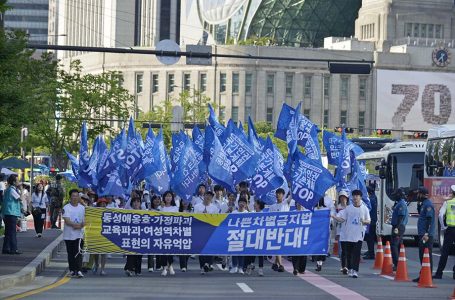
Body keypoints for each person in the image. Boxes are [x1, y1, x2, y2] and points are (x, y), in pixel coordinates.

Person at [332, 189, 370, 278]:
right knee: (349, 253)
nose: (355, 197)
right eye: (354, 196)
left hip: (359, 235)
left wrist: (364, 221)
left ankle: (355, 270)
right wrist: (334, 217)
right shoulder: (348, 209)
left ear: (360, 197)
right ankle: (350, 269)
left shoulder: (364, 209)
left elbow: (368, 221)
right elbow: (342, 219)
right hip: (348, 234)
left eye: (357, 196)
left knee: (356, 254)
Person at [412, 187, 435, 283]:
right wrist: (418, 205)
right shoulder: (423, 204)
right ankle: (423, 274)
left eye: (419, 194)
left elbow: (429, 220)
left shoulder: (428, 205)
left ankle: (427, 275)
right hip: (422, 234)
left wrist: (426, 233)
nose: (417, 196)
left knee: (426, 255)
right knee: (422, 255)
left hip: (426, 235)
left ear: (422, 194)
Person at [193, 191, 219, 274]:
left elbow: (216, 219)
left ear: (212, 198)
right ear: (203, 196)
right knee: (201, 250)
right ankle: (202, 267)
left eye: (210, 196)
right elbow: (194, 217)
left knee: (209, 248)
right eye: (207, 195)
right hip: (200, 230)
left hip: (210, 230)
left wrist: (208, 217)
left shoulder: (214, 208)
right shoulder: (197, 206)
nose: (208, 197)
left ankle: (208, 264)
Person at [433, 185, 455, 280]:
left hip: (450, 230)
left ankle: (439, 273)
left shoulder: (448, 203)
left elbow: (441, 216)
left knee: (445, 252)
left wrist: (443, 226)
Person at [62, 189, 85, 278]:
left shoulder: (82, 208)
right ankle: (72, 270)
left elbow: (85, 220)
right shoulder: (66, 207)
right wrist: (76, 225)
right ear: (70, 197)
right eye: (73, 196)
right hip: (68, 235)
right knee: (70, 253)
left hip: (79, 235)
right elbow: (67, 220)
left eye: (76, 196)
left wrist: (80, 226)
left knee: (78, 252)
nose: (75, 198)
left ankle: (79, 270)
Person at [269, 188, 292, 272]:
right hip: (275, 229)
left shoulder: (286, 203)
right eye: (277, 193)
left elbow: (292, 195)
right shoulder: (272, 206)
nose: (278, 195)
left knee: (281, 247)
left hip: (285, 228)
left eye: (280, 193)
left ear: (283, 195)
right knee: (278, 246)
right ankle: (281, 265)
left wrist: (292, 185)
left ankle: (275, 263)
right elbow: (270, 218)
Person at [1, 174, 23, 255]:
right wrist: (21, 190)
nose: (19, 182)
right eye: (17, 180)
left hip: (7, 213)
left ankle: (5, 249)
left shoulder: (8, 189)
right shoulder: (12, 190)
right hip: (11, 213)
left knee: (7, 232)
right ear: (14, 182)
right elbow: (20, 199)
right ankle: (14, 249)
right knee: (13, 232)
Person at [160, 191, 178, 277]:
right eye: (166, 196)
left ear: (172, 198)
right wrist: (162, 208)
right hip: (162, 232)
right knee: (163, 251)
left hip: (171, 231)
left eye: (170, 196)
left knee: (170, 250)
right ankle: (164, 268)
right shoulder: (161, 207)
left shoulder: (175, 208)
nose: (168, 198)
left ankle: (170, 266)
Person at [124, 195, 143, 276]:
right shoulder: (129, 211)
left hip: (141, 235)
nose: (136, 203)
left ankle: (137, 270)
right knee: (131, 253)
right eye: (134, 201)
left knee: (139, 254)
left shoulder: (144, 212)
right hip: (131, 235)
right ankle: (129, 269)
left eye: (138, 201)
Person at [390, 188, 408, 271]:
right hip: (398, 226)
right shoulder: (399, 203)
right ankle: (399, 263)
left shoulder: (401, 204)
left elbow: (401, 216)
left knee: (394, 245)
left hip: (398, 227)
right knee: (399, 245)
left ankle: (397, 264)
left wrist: (396, 228)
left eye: (396, 194)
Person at [230, 197, 249, 274]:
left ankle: (241, 267)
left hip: (244, 234)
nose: (242, 204)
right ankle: (235, 266)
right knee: (234, 251)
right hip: (234, 233)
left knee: (241, 252)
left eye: (244, 202)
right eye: (240, 202)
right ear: (238, 203)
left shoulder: (247, 213)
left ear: (246, 204)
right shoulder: (234, 212)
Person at [92, 198, 108, 276]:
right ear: (98, 204)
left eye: (105, 203)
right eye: (102, 203)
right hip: (96, 234)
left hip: (105, 235)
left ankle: (102, 269)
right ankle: (96, 264)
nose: (103, 204)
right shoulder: (94, 213)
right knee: (96, 252)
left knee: (104, 253)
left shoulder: (109, 213)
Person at [292, 202, 307, 275]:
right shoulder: (293, 213)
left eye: (301, 202)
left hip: (304, 235)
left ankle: (302, 269)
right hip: (295, 234)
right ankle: (295, 268)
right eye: (298, 203)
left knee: (303, 253)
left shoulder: (307, 212)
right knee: (295, 252)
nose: (300, 204)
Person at [335, 190, 349, 274]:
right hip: (340, 230)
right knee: (342, 250)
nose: (343, 199)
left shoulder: (350, 207)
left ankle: (346, 266)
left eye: (344, 197)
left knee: (348, 250)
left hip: (349, 231)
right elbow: (336, 220)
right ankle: (344, 266)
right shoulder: (337, 207)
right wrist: (336, 233)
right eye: (341, 197)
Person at [147, 195, 162, 273]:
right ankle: (150, 266)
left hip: (160, 231)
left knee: (159, 248)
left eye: (158, 199)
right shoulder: (148, 210)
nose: (157, 200)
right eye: (155, 199)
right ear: (152, 201)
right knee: (151, 249)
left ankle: (158, 265)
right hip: (150, 231)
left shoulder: (162, 209)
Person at [363, 186, 378, 260]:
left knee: (369, 238)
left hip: (370, 221)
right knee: (369, 238)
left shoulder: (371, 200)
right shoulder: (374, 198)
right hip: (373, 221)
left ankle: (371, 253)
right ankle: (370, 251)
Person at [178, 200, 192, 272]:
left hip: (190, 232)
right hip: (180, 232)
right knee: (182, 250)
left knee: (189, 250)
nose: (185, 202)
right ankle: (183, 266)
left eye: (187, 201)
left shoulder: (192, 211)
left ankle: (185, 263)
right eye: (183, 201)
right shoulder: (177, 210)